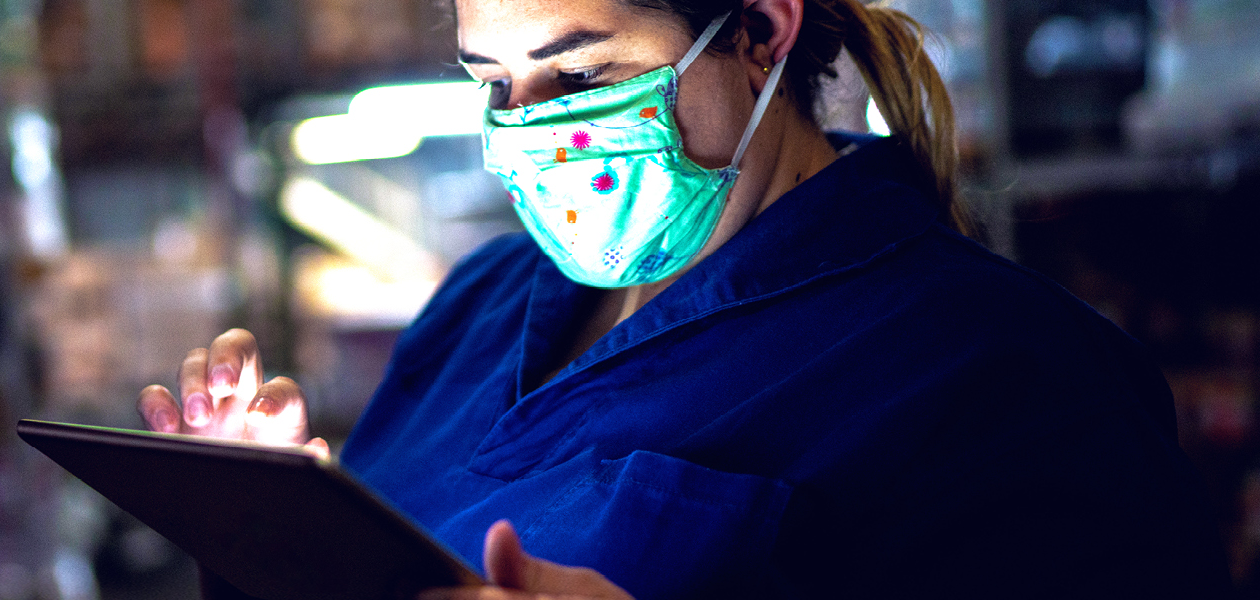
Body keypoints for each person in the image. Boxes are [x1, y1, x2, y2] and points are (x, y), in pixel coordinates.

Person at [137, 0, 1232, 597]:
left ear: (759, 32)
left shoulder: (1007, 374)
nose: (529, 127)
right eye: (492, 84)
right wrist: (268, 524)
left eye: (581, 76)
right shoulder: (483, 301)